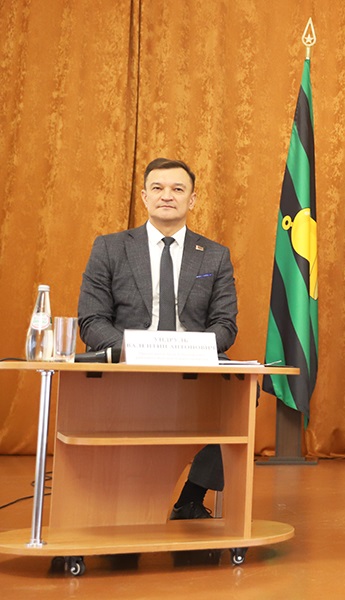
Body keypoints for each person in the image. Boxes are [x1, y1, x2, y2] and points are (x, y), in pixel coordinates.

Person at [78, 157, 238, 519]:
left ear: (192, 199)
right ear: (145, 196)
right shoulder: (110, 248)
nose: (167, 195)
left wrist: (189, 350)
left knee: (237, 390)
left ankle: (191, 497)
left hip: (192, 367)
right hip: (127, 364)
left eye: (178, 189)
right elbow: (92, 320)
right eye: (158, 188)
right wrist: (135, 351)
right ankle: (113, 499)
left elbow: (225, 325)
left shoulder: (215, 255)